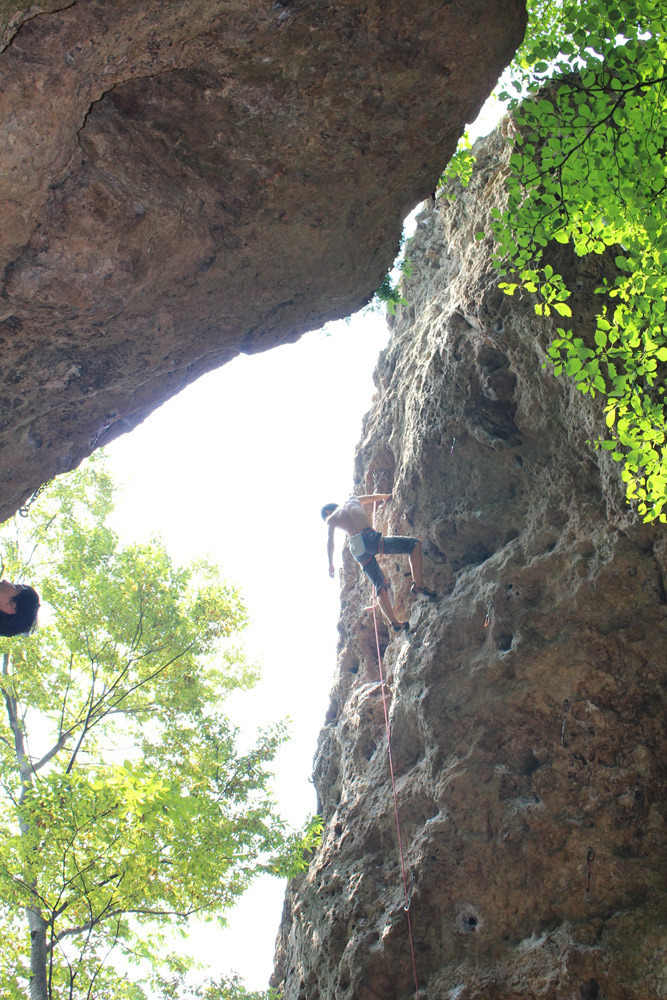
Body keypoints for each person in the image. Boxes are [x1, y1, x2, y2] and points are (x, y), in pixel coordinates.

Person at [322, 494, 436, 633]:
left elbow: (330, 540)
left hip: (356, 548)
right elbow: (372, 497)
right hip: (368, 537)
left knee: (379, 585)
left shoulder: (331, 518)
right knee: (414, 544)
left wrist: (330, 564)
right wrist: (386, 496)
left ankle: (395, 623)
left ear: (327, 512)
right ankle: (419, 585)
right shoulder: (352, 499)